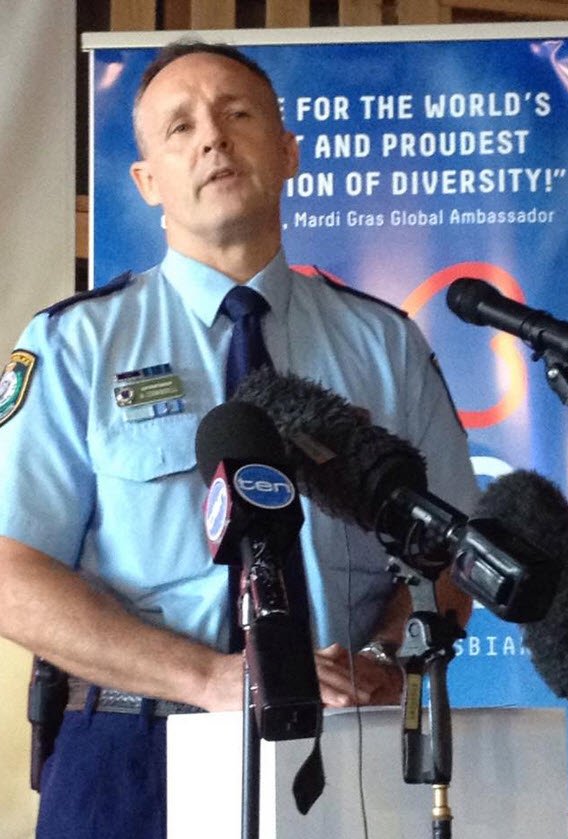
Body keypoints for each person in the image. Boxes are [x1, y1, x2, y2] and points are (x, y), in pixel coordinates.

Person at [0, 41, 478, 838]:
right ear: (147, 181)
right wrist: (208, 677)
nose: (213, 139)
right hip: (130, 751)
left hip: (342, 746)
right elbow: (12, 573)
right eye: (180, 127)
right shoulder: (75, 344)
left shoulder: (384, 343)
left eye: (238, 114)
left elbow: (453, 553)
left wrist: (388, 659)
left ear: (288, 153)